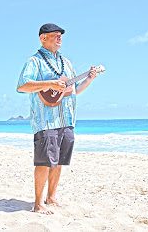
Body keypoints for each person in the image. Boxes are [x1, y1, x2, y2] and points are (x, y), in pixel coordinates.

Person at [17, 23, 97, 214]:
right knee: (44, 161)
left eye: (60, 35)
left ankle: (51, 197)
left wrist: (88, 80)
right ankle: (38, 203)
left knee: (58, 161)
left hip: (67, 120)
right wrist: (50, 83)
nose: (59, 37)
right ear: (43, 38)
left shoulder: (67, 63)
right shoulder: (34, 61)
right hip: (45, 120)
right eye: (55, 35)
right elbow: (22, 86)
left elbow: (73, 91)